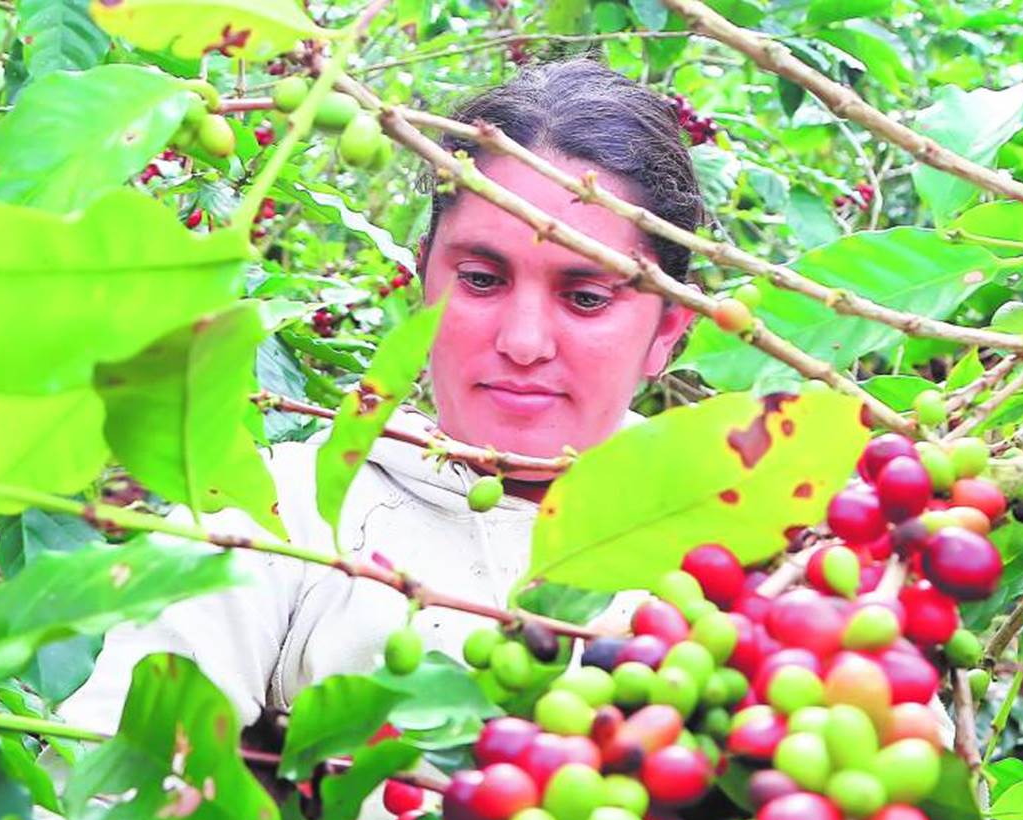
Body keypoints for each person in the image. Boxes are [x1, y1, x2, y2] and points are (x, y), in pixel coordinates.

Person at [56, 57, 705, 739]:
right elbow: (101, 786)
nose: (522, 341)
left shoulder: (738, 544)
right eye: (482, 280)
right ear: (423, 279)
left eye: (585, 297)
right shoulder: (277, 516)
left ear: (667, 328)